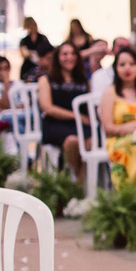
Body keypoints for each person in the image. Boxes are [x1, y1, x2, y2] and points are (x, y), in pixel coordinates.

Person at [38, 41, 90, 182]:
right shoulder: (46, 80)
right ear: (57, 58)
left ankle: (82, 180)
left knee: (91, 142)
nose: (70, 57)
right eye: (65, 54)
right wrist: (76, 116)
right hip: (56, 124)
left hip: (81, 125)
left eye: (73, 54)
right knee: (73, 141)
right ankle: (76, 182)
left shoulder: (83, 81)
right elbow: (47, 108)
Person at [98, 46, 136, 188]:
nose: (127, 68)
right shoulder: (109, 93)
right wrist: (134, 127)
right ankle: (130, 195)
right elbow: (108, 128)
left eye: (132, 64)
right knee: (135, 144)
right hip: (119, 140)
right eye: (122, 65)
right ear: (115, 68)